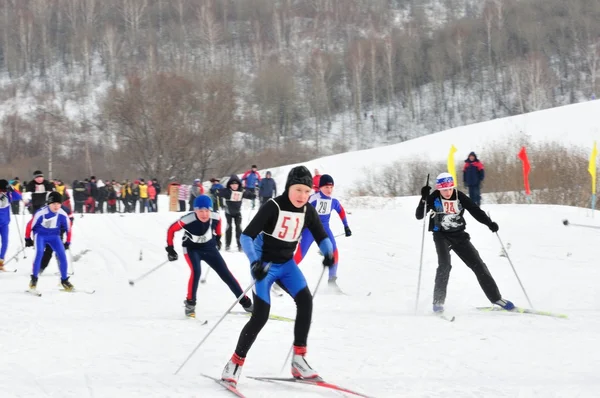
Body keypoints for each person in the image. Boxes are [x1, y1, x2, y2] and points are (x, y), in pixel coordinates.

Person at [221, 166, 334, 386]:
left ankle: (299, 360)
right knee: (261, 316)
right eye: (298, 189)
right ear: (289, 188)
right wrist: (254, 263)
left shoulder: (308, 210)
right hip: (264, 265)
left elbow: (323, 236)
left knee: (305, 302)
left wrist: (329, 253)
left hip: (287, 265)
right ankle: (234, 364)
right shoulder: (272, 207)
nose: (302, 196)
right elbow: (246, 237)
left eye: (306, 191)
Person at [415, 172, 514, 313]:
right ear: (439, 189)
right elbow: (419, 215)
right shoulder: (433, 197)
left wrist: (489, 223)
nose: (448, 192)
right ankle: (438, 302)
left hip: (459, 236)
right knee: (444, 266)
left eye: (450, 189)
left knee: (479, 265)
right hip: (441, 235)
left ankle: (496, 298)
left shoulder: (459, 196)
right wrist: (423, 199)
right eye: (444, 190)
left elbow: (475, 210)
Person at [166, 195, 253, 318]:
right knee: (196, 272)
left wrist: (217, 238)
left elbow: (218, 226)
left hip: (209, 248)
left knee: (226, 274)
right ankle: (190, 304)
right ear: (195, 210)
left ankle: (246, 302)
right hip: (191, 249)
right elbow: (171, 230)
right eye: (200, 210)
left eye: (207, 210)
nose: (204, 214)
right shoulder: (188, 219)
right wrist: (170, 249)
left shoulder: (215, 216)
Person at [294, 174, 351, 288]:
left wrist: (346, 226)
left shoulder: (333, 201)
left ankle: (332, 280)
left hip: (324, 229)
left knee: (334, 252)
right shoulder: (313, 198)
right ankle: (281, 276)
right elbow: (299, 209)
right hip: (309, 230)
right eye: (326, 187)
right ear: (320, 187)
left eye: (331, 187)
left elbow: (341, 211)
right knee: (300, 255)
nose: (329, 190)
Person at [25, 192, 74, 292]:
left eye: (58, 204)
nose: (56, 206)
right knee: (39, 253)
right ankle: (34, 279)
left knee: (62, 256)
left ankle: (64, 280)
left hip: (54, 236)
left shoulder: (62, 214)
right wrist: (27, 238)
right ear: (49, 203)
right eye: (53, 204)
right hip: (41, 235)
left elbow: (68, 228)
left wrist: (68, 242)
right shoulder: (41, 212)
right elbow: (29, 225)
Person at [216, 175, 255, 251]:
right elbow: (219, 192)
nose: (234, 186)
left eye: (236, 184)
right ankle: (227, 245)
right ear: (229, 185)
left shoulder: (241, 191)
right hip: (228, 213)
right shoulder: (227, 191)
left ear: (238, 185)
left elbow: (248, 194)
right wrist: (217, 191)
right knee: (229, 227)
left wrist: (253, 195)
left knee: (239, 228)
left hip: (237, 213)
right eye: (232, 184)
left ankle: (240, 245)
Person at [39, 203, 74, 275]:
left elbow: (70, 220)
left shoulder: (64, 209)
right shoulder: (46, 208)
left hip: (57, 231)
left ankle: (40, 268)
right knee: (51, 250)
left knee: (50, 250)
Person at [0, 179, 22, 270]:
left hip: (4, 224)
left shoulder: (8, 195)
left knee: (5, 242)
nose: (4, 191)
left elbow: (19, 196)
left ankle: (1, 262)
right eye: (3, 190)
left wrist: (12, 189)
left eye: (5, 190)